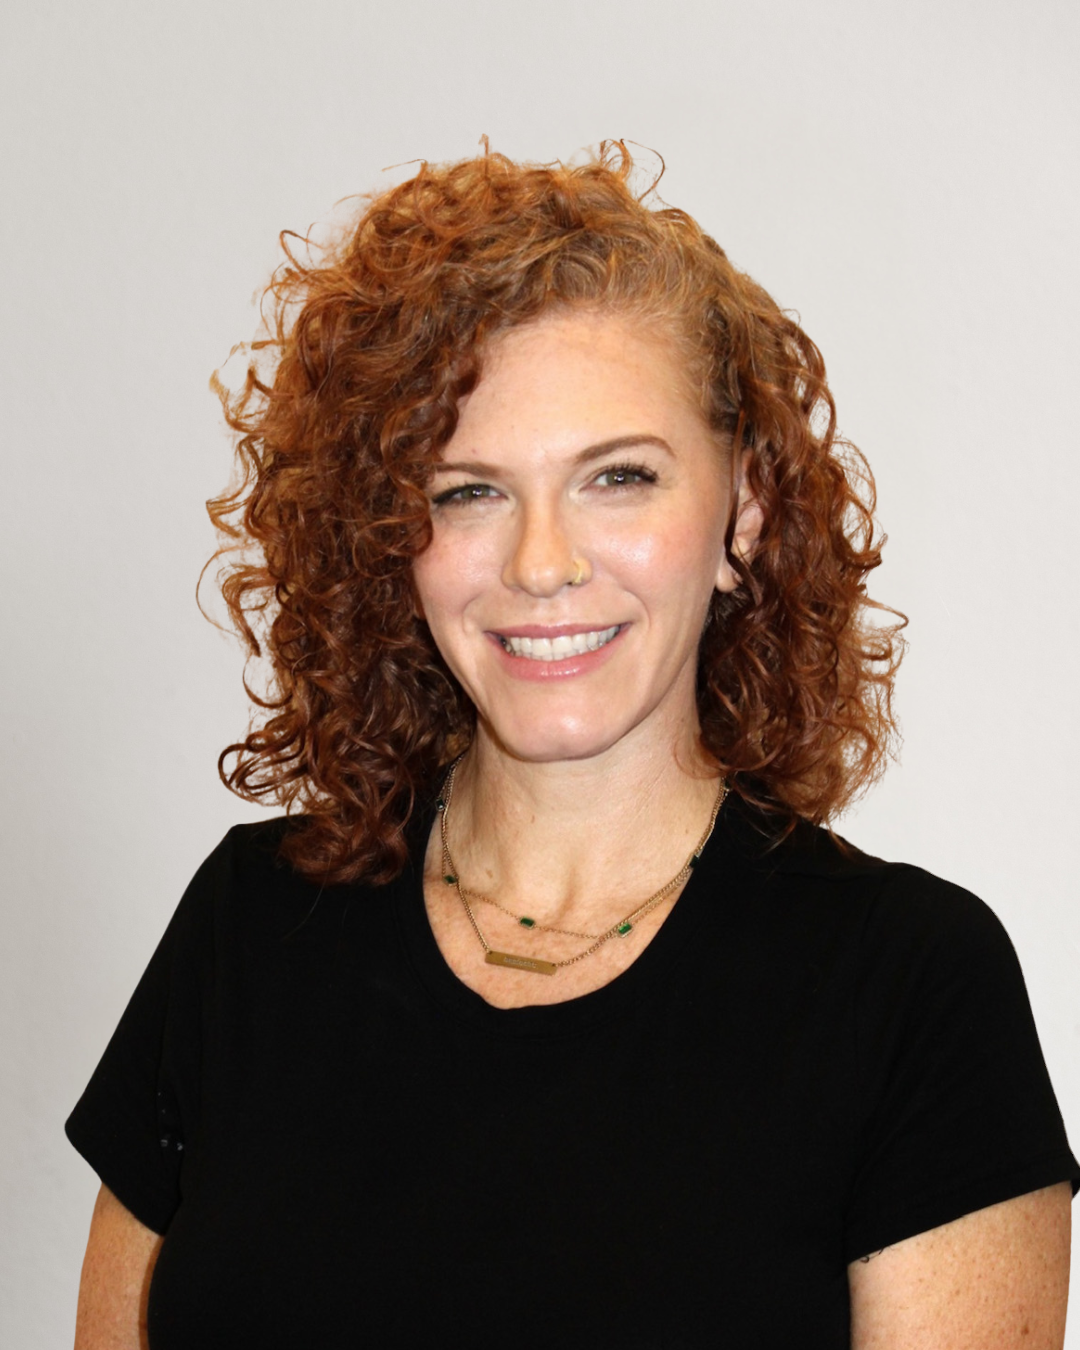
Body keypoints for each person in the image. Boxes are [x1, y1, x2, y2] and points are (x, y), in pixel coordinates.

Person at [68, 143, 1077, 1349]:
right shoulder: (247, 927)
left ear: (742, 514)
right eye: (467, 492)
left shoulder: (911, 987)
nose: (542, 563)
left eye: (619, 477)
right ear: (394, 532)